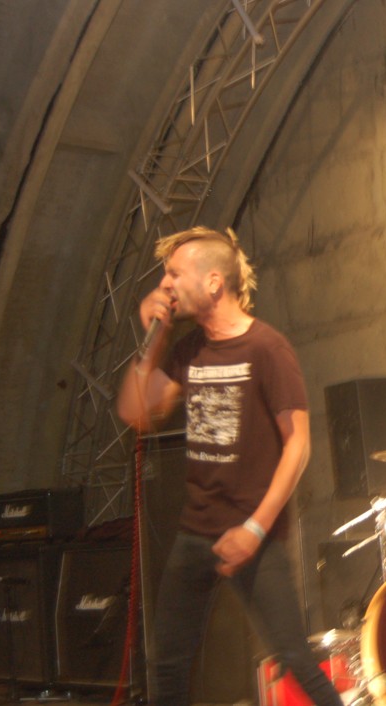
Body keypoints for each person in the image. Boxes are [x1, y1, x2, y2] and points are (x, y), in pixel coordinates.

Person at [116, 226, 343, 706]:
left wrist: (254, 531)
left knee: (295, 658)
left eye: (175, 273)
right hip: (196, 531)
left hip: (253, 534)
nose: (165, 284)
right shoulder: (188, 350)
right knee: (166, 665)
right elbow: (136, 413)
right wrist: (154, 339)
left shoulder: (267, 348)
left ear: (214, 282)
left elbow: (298, 446)